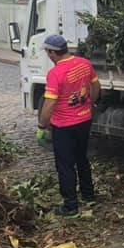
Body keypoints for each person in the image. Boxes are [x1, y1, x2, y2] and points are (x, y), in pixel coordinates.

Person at [38, 34, 101, 217]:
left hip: (64, 125)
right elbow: (96, 86)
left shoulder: (55, 73)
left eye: (47, 52)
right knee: (82, 157)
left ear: (52, 52)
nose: (48, 55)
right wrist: (90, 104)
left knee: (65, 165)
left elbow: (49, 103)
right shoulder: (84, 63)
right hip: (84, 119)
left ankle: (71, 206)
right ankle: (88, 195)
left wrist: (42, 126)